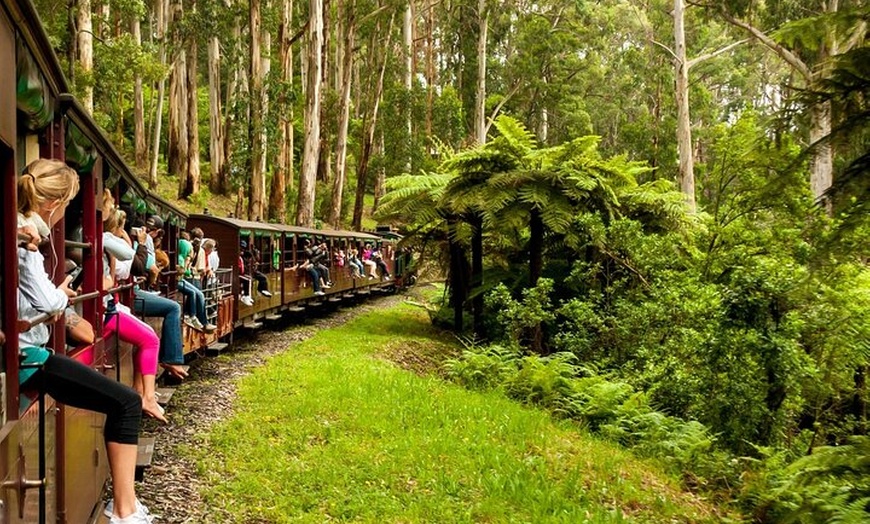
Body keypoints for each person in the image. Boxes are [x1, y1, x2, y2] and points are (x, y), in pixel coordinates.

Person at [16, 159, 153, 523]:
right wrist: (60, 295)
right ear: (55, 203)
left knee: (124, 402)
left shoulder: (24, 229)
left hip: (28, 352)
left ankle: (127, 506)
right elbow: (47, 302)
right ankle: (125, 511)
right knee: (126, 402)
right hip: (26, 357)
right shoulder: (26, 234)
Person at [101, 200, 166, 424]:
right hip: (104, 310)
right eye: (122, 225)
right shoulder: (103, 239)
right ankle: (146, 396)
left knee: (148, 336)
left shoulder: (105, 240)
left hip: (109, 306)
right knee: (150, 339)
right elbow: (127, 266)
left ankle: (141, 392)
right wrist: (131, 241)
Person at [129, 217, 188, 380]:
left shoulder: (129, 239)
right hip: (130, 293)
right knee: (174, 307)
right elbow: (148, 267)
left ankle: (171, 358)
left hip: (131, 290)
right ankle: (171, 358)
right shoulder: (141, 240)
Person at [176, 237, 215, 331]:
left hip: (182, 279)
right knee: (195, 294)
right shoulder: (182, 258)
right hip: (180, 280)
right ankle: (194, 317)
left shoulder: (184, 256)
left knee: (199, 294)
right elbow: (183, 271)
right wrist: (187, 262)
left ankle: (199, 319)